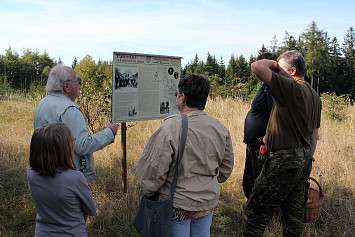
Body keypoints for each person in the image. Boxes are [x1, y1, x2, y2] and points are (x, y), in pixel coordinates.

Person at [137, 74, 234, 237]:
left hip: (177, 204)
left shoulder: (172, 126)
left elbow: (154, 171)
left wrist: (147, 191)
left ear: (182, 98)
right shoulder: (219, 128)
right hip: (206, 203)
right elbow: (225, 169)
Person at [242, 50, 322, 237]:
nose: (276, 72)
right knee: (293, 220)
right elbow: (315, 135)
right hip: (303, 159)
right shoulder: (314, 96)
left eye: (279, 69)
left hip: (283, 160)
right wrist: (306, 159)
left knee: (253, 217)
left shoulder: (291, 88)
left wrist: (272, 64)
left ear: (292, 71)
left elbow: (257, 67)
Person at [34, 64, 118, 182]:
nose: (80, 84)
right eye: (78, 80)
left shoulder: (44, 103)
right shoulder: (69, 109)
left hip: (47, 173)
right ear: (66, 86)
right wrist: (109, 132)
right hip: (67, 177)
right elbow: (82, 146)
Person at [27, 122, 97, 236]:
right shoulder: (75, 178)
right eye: (70, 140)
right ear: (62, 150)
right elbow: (91, 210)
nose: (74, 138)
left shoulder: (30, 172)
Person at [242, 52, 278, 199]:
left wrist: (265, 140)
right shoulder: (265, 86)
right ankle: (249, 212)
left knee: (258, 184)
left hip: (260, 146)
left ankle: (256, 217)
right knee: (249, 181)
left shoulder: (272, 87)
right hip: (253, 144)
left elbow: (275, 116)